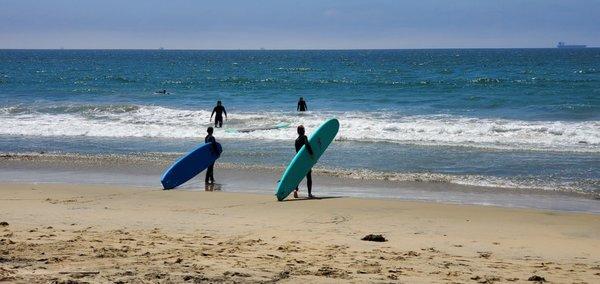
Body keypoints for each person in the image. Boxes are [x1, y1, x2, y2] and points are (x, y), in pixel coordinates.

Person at [293, 125, 315, 198]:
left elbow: (297, 152)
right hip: (305, 160)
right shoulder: (304, 137)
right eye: (304, 130)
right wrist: (312, 154)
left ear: (297, 132)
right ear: (303, 131)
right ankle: (309, 194)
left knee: (299, 176)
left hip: (299, 161)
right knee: (308, 177)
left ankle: (295, 190)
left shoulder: (296, 141)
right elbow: (307, 145)